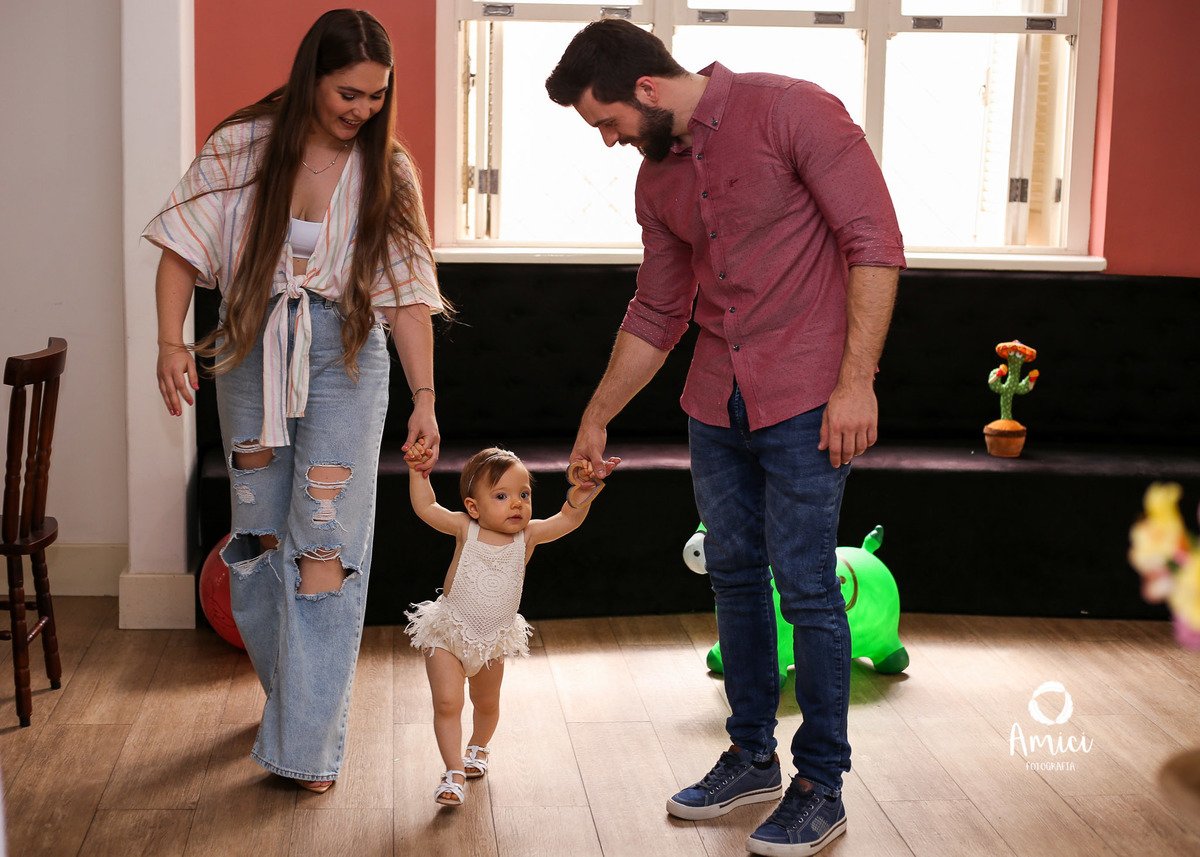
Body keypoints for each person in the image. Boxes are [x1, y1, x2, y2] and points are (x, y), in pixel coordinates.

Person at [546, 19, 905, 856]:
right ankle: (752, 755)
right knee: (736, 582)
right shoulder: (657, 182)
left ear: (647, 89)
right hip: (715, 402)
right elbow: (658, 309)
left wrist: (857, 383)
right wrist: (598, 413)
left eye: (609, 123)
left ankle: (822, 783)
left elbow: (875, 245)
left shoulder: (795, 113)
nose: (610, 142)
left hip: (808, 398)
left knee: (808, 587)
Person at [144, 9, 447, 793]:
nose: (363, 111)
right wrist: (171, 342)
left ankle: (307, 746)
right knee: (258, 543)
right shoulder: (241, 146)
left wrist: (425, 398)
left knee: (324, 550)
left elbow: (408, 297)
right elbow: (182, 248)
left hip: (348, 356)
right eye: (350, 93)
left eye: (377, 97)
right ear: (313, 74)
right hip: (250, 350)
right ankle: (295, 706)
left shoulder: (389, 171)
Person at [403, 446, 618, 807]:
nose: (516, 504)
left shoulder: (527, 536)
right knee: (447, 702)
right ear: (474, 507)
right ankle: (453, 772)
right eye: (501, 496)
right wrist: (417, 474)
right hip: (448, 634)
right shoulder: (464, 528)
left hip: (493, 640)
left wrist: (582, 496)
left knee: (486, 704)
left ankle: (478, 747)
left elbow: (567, 520)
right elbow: (427, 508)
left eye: (524, 495)